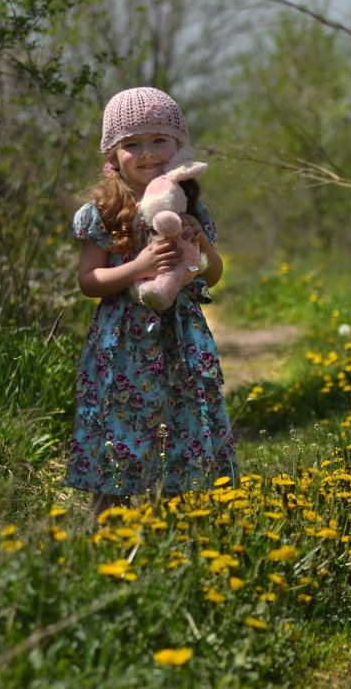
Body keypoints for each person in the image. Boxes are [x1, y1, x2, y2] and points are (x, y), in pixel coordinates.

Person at [65, 86, 237, 515]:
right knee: (118, 431)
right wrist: (138, 266)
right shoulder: (102, 211)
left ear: (179, 147)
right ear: (113, 153)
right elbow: (90, 280)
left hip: (181, 338)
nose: (147, 154)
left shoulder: (191, 209)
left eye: (159, 140)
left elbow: (212, 276)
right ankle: (110, 533)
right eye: (132, 144)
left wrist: (200, 245)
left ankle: (183, 528)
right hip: (122, 342)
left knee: (184, 423)